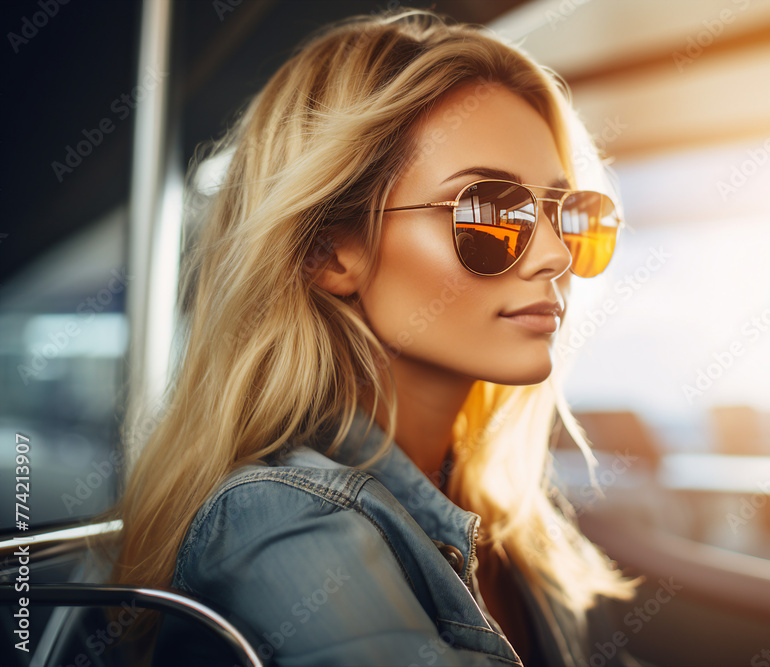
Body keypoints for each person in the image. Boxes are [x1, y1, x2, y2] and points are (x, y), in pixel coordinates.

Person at [109, 8, 644, 666]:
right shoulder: (275, 516)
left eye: (570, 214)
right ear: (332, 251)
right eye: (488, 211)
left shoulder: (512, 518)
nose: (555, 255)